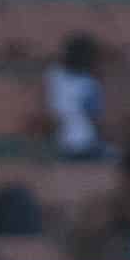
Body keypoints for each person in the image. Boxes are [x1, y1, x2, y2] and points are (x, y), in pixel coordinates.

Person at [42, 34, 110, 163]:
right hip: (85, 144)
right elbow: (95, 118)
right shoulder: (89, 84)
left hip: (59, 143)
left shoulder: (52, 75)